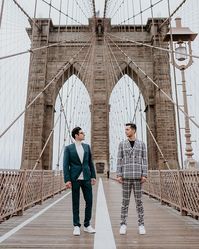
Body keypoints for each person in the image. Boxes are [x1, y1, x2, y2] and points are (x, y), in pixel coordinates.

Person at [63, 127, 96, 236]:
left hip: (86, 177)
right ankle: (76, 225)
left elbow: (90, 162)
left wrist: (93, 176)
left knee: (89, 201)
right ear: (76, 135)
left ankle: (87, 225)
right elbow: (65, 165)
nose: (84, 134)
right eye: (82, 133)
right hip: (75, 178)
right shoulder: (68, 148)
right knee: (75, 202)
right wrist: (67, 180)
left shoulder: (87, 147)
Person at [116, 123, 148, 235]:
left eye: (128, 129)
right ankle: (123, 224)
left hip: (138, 177)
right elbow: (119, 160)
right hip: (126, 176)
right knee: (125, 202)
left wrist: (145, 174)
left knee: (139, 202)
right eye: (125, 129)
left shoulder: (142, 144)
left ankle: (141, 224)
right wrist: (119, 175)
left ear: (133, 130)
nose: (126, 131)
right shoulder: (122, 144)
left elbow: (145, 160)